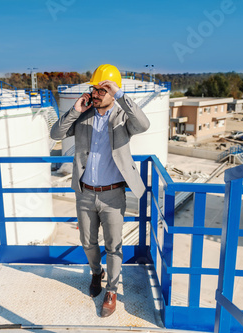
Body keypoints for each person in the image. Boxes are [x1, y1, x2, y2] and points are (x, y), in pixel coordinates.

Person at [50, 64, 150, 317]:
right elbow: (55, 133)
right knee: (87, 241)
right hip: (85, 192)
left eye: (102, 89)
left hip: (113, 194)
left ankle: (112, 290)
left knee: (114, 246)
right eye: (94, 88)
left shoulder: (123, 117)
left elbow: (145, 124)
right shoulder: (83, 115)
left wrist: (119, 95)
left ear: (112, 91)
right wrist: (74, 110)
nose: (95, 94)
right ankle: (97, 272)